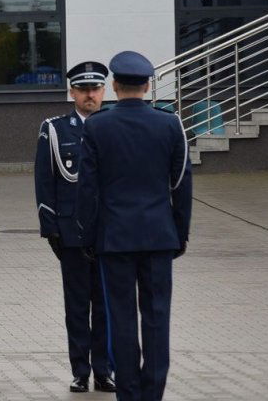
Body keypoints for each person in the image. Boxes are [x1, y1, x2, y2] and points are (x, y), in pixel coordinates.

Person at [75, 51, 192, 401]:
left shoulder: (97, 126)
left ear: (113, 85)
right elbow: (182, 186)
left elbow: (87, 189)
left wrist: (88, 235)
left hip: (115, 239)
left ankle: (128, 394)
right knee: (157, 319)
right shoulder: (170, 124)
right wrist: (180, 234)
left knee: (122, 319)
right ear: (147, 85)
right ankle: (152, 393)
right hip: (159, 237)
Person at [34, 62, 116, 393]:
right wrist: (50, 228)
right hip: (71, 234)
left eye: (95, 89)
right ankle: (80, 371)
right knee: (77, 306)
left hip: (110, 234)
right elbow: (44, 180)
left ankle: (104, 371)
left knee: (106, 305)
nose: (89, 95)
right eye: (83, 90)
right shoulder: (55, 129)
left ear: (104, 91)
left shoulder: (115, 127)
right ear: (72, 93)